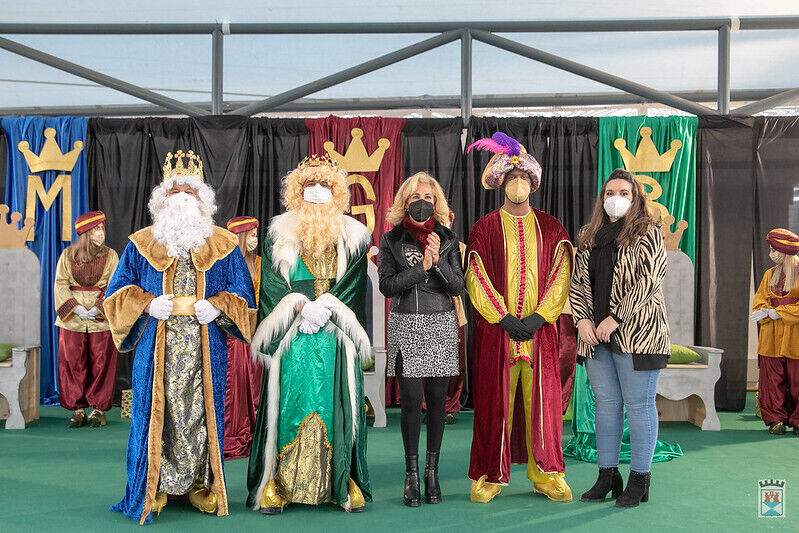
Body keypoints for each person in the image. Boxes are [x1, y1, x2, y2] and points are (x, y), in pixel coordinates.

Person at [104, 150, 255, 523]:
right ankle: (153, 486)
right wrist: (146, 304)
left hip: (206, 347)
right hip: (157, 348)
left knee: (201, 414)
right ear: (162, 200)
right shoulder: (141, 243)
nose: (183, 199)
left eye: (190, 193)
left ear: (203, 200)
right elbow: (116, 293)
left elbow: (245, 296)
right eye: (175, 193)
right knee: (158, 415)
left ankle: (201, 485)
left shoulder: (223, 244)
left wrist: (218, 307)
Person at [247, 154, 372, 515]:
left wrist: (328, 307)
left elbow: (354, 284)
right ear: (296, 192)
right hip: (293, 333)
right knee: (290, 400)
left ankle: (341, 479)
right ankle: (278, 482)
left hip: (334, 334)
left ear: (337, 192)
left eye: (325, 185)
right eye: (309, 185)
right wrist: (300, 306)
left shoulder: (354, 236)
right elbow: (271, 286)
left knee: (336, 403)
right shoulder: (278, 235)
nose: (317, 191)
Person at [465, 133, 573, 503]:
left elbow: (561, 273)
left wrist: (540, 317)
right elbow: (475, 275)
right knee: (494, 403)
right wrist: (503, 317)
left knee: (544, 404)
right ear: (500, 183)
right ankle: (489, 474)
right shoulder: (484, 228)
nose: (517, 184)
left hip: (541, 334)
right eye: (511, 178)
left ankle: (547, 473)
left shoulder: (553, 228)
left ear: (533, 182)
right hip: (498, 332)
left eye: (523, 178)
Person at [569, 168, 670, 508]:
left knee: (639, 406)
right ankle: (607, 475)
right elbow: (578, 283)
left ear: (635, 197)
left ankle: (640, 479)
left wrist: (615, 318)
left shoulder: (648, 231)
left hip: (637, 334)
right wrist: (583, 319)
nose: (616, 198)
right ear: (602, 198)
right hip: (595, 337)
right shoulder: (589, 236)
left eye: (624, 193)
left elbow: (649, 279)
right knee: (606, 406)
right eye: (610, 192)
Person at [378, 172, 464, 507]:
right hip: (406, 323)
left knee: (437, 401)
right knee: (412, 401)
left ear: (436, 202)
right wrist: (421, 268)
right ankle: (411, 475)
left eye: (428, 197)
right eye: (415, 197)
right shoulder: (391, 239)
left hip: (440, 322)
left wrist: (437, 262)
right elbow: (387, 286)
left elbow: (457, 286)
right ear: (405, 201)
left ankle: (432, 472)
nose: (422, 202)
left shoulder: (448, 238)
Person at [53, 210, 119, 428]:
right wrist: (75, 308)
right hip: (72, 318)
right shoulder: (68, 255)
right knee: (72, 362)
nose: (101, 232)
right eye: (96, 229)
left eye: (102, 228)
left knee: (102, 361)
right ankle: (78, 409)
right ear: (86, 233)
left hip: (101, 317)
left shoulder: (111, 255)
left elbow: (115, 283)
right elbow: (61, 283)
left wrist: (99, 307)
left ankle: (98, 409)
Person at [751, 228, 799, 436]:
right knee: (772, 380)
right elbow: (760, 298)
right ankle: (776, 419)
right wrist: (764, 311)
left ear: (785, 251)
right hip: (771, 336)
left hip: (795, 335)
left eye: (774, 249)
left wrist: (780, 312)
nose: (771, 253)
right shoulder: (769, 274)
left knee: (797, 379)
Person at [223, 215, 263, 459]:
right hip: (234, 333)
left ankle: (252, 422)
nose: (255, 240)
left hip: (257, 330)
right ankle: (233, 429)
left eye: (257, 236)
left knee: (255, 379)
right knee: (235, 382)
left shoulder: (259, 264)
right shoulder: (225, 263)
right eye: (252, 235)